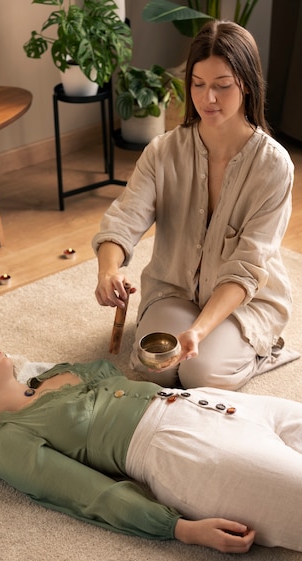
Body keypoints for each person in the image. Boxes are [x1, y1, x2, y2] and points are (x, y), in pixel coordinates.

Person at [0, 335, 302, 554]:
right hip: (183, 451)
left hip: (209, 402)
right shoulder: (8, 442)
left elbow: (112, 375)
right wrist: (180, 529)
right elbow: (91, 495)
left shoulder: (58, 372)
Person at [92, 20, 298, 390]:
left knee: (201, 374)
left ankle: (261, 350)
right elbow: (123, 220)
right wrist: (108, 271)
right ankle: (201, 341)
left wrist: (199, 331)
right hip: (174, 290)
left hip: (243, 302)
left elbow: (248, 266)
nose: (208, 99)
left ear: (247, 85)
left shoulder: (273, 165)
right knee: (154, 365)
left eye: (222, 86)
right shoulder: (163, 151)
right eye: (198, 85)